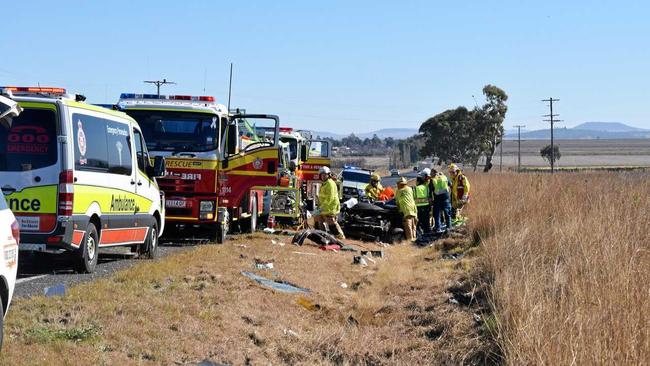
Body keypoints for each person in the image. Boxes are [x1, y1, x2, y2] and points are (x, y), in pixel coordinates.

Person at [313, 166, 345, 238]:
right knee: (317, 218)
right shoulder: (324, 184)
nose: (323, 176)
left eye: (325, 175)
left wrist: (320, 208)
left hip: (331, 208)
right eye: (321, 175)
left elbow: (329, 199)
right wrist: (318, 207)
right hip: (325, 208)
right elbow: (322, 198)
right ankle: (321, 236)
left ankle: (340, 237)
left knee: (331, 222)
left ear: (328, 175)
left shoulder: (330, 184)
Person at [396, 177, 418, 242]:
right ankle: (415, 240)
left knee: (408, 228)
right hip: (414, 209)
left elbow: (397, 202)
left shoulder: (399, 191)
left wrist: (399, 210)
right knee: (413, 227)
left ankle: (410, 242)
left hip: (406, 210)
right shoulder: (409, 189)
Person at [431, 168, 453, 233]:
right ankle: (449, 227)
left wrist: (431, 200)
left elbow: (430, 190)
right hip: (446, 198)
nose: (430, 174)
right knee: (447, 214)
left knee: (437, 215)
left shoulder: (433, 180)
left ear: (434, 173)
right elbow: (450, 184)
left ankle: (438, 228)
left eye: (431, 173)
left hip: (437, 199)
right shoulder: (444, 177)